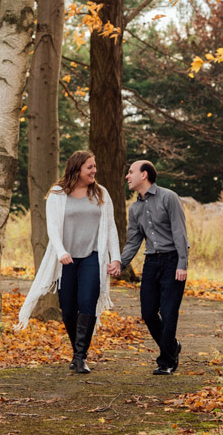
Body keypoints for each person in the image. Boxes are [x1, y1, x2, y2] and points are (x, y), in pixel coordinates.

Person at [16, 150, 121, 374]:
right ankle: (77, 352)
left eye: (94, 166)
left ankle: (81, 357)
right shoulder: (57, 193)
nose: (94, 171)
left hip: (93, 256)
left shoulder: (101, 193)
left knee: (87, 302)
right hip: (67, 259)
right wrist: (61, 251)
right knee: (68, 309)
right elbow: (52, 227)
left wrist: (116, 259)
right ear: (77, 169)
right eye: (90, 167)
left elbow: (110, 227)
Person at [107, 160, 189, 376]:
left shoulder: (168, 197)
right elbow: (134, 241)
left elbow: (180, 232)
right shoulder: (135, 208)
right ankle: (172, 346)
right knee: (148, 312)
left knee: (169, 312)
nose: (127, 176)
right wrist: (120, 263)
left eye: (131, 172)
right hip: (151, 263)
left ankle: (166, 361)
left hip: (172, 261)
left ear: (144, 175)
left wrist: (182, 264)